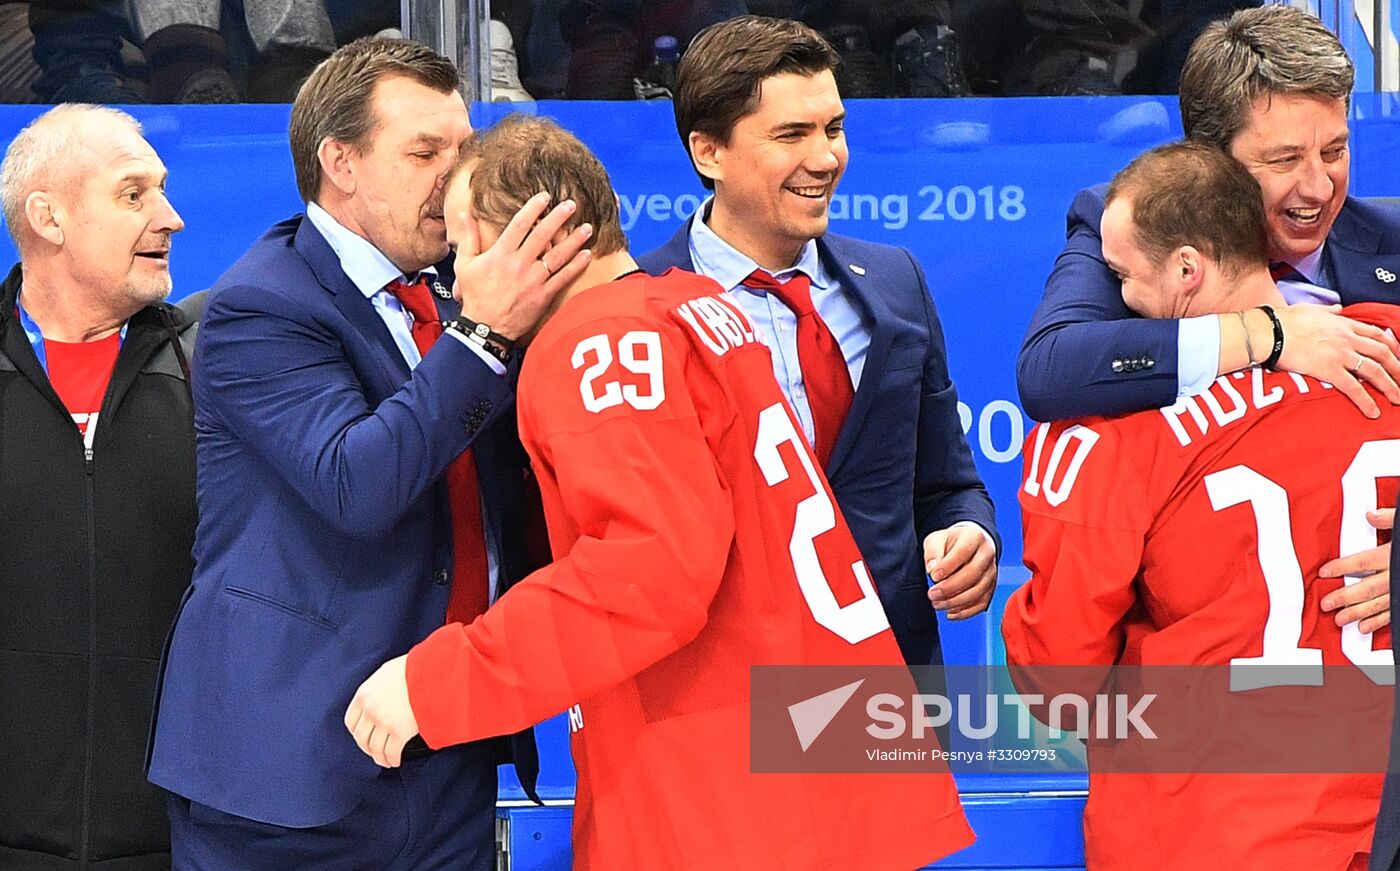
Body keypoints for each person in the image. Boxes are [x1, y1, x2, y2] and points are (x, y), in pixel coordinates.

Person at [346, 112, 976, 870]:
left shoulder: (597, 341)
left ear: (527, 241)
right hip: (813, 777)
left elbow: (647, 574)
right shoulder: (697, 309)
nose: (453, 274)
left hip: (728, 798)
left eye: (459, 243)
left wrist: (438, 682)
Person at [144, 38, 592, 869]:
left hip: (448, 745)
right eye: (425, 152)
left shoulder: (457, 299)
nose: (457, 178)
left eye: (464, 149)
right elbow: (359, 482)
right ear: (339, 162)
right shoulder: (260, 306)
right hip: (289, 773)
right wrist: (485, 332)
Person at [1003, 140, 1396, 871]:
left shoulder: (1114, 430)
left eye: (1121, 276)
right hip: (1376, 813)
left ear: (1187, 271)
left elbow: (1059, 674)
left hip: (1202, 820)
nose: (1115, 301)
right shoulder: (1385, 345)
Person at [1017, 3, 1400, 636]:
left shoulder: (1391, 239)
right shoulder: (1134, 226)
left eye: (1334, 150)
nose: (1318, 186)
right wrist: (1266, 336)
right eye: (1282, 161)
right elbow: (1051, 370)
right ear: (1211, 160)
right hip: (1203, 674)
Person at [637, 15, 998, 672]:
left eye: (833, 128)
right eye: (792, 134)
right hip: (719, 702)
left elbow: (947, 483)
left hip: (889, 694)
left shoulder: (897, 283)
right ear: (708, 152)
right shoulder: (634, 308)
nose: (826, 157)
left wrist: (966, 530)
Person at [0, 104, 191, 869]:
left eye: (163, 190)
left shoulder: (213, 368)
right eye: (133, 194)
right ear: (47, 216)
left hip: (182, 845)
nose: (170, 218)